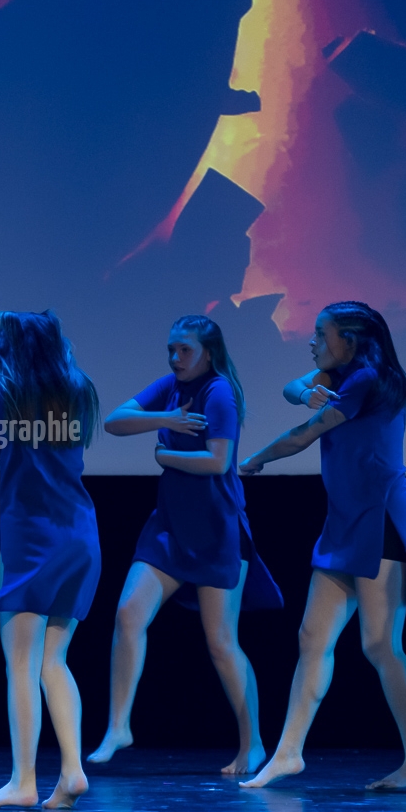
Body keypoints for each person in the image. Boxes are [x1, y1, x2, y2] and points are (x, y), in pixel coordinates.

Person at [239, 301, 406, 790]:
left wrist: (253, 460)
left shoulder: (368, 380)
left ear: (349, 341)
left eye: (321, 334)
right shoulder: (342, 375)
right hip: (344, 521)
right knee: (313, 638)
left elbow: (303, 436)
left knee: (380, 644)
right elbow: (292, 389)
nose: (312, 342)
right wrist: (307, 390)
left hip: (379, 518)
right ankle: (288, 753)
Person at [87, 315, 281, 775]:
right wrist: (164, 418)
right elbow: (114, 422)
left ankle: (253, 743)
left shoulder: (219, 392)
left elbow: (218, 462)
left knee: (221, 643)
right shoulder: (172, 387)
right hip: (170, 527)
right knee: (128, 613)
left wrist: (163, 454)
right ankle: (119, 727)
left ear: (208, 353)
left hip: (215, 530)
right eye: (171, 350)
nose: (176, 358)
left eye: (185, 350)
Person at [0, 311, 100, 810]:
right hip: (80, 536)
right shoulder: (78, 390)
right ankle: (72, 772)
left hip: (30, 540)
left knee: (21, 664)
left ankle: (23, 781)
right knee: (53, 660)